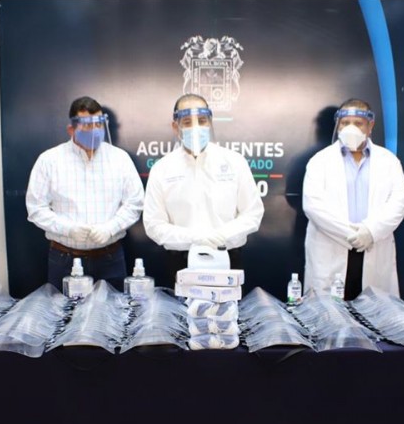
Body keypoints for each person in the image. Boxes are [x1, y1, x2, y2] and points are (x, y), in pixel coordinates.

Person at [143, 93, 264, 287]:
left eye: (201, 121)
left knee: (228, 308)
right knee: (180, 308)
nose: (196, 127)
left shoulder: (234, 162)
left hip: (227, 258)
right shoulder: (162, 169)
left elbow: (253, 213)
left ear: (210, 123)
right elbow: (153, 225)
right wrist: (194, 237)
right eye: (187, 122)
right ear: (175, 127)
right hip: (180, 263)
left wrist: (223, 234)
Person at [26, 96, 144, 291]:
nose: (94, 131)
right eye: (87, 125)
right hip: (64, 259)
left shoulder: (120, 159)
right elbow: (36, 209)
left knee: (113, 310)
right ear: (71, 129)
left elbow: (135, 203)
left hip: (110, 258)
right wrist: (68, 229)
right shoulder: (49, 161)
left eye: (98, 124)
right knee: (63, 310)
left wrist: (110, 228)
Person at [303, 98, 404, 300]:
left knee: (374, 311)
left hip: (373, 245)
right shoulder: (320, 161)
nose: (350, 129)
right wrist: (351, 234)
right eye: (345, 123)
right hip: (333, 247)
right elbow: (313, 205)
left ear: (370, 126)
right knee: (329, 314)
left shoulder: (388, 161)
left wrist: (370, 231)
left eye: (358, 123)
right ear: (338, 125)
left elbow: (399, 201)